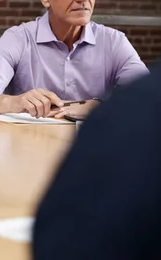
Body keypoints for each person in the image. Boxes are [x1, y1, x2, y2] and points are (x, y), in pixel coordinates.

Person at [0, 0, 148, 118]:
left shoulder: (113, 41)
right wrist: (16, 102)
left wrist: (100, 106)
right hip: (31, 141)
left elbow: (148, 96)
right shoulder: (18, 39)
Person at [32, 66, 161, 259]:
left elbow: (63, 243)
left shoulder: (141, 105)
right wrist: (13, 100)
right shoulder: (20, 38)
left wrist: (99, 104)